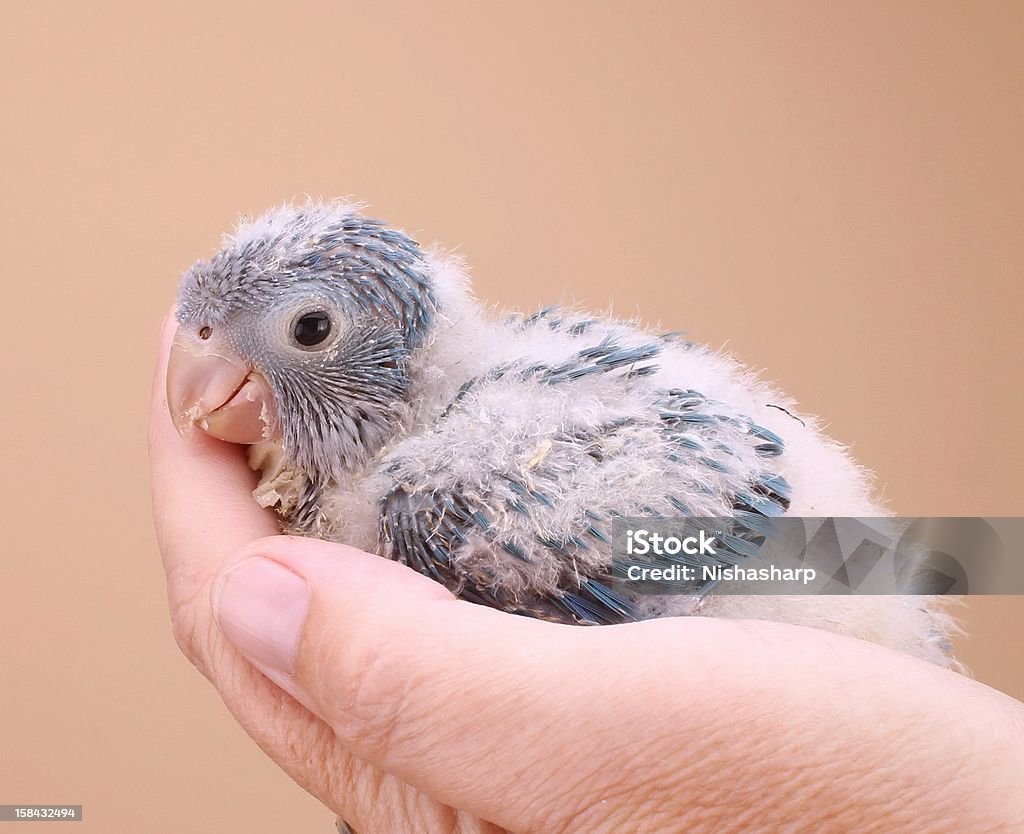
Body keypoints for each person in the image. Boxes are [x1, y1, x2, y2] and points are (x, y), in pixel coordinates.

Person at [149, 314, 1024, 833]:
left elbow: (763, 553)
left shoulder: (446, 486)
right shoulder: (522, 387)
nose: (212, 365)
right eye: (204, 330)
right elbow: (838, 547)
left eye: (309, 330)